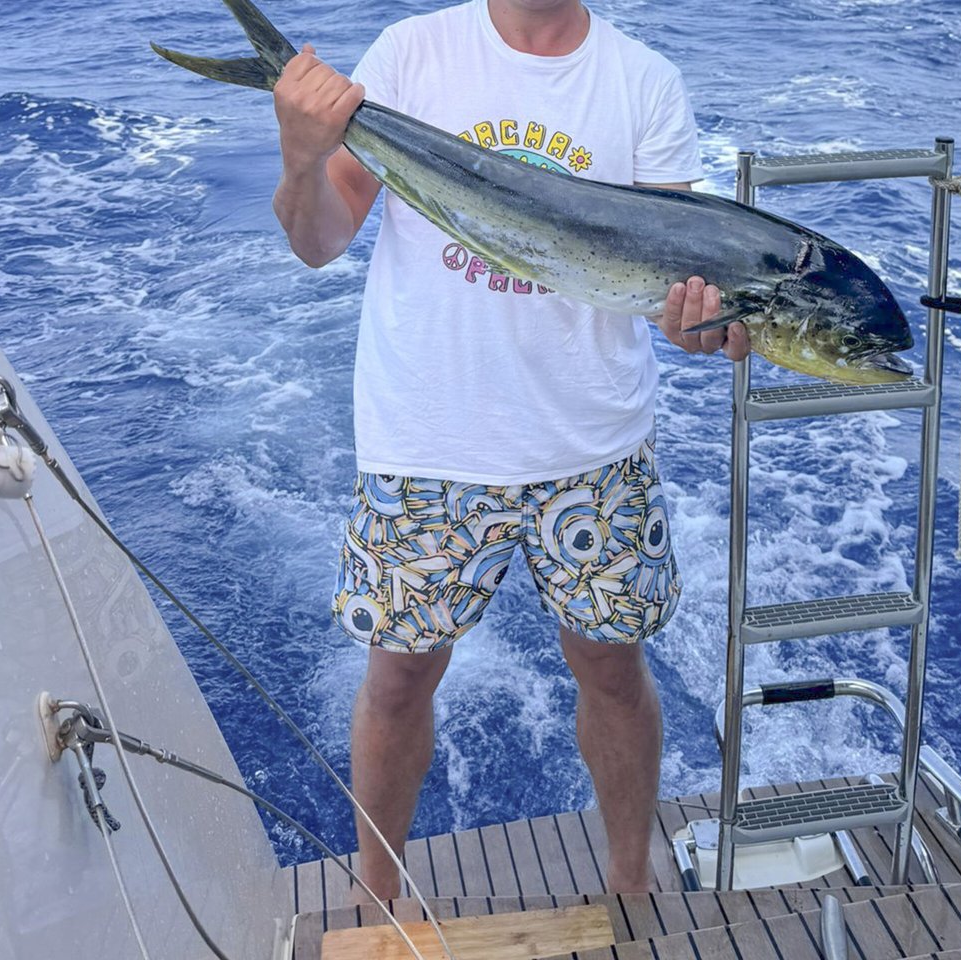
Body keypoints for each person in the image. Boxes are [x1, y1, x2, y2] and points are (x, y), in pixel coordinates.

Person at [271, 0, 749, 897]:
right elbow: (317, 241)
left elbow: (669, 279)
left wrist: (700, 326)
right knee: (400, 680)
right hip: (429, 440)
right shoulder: (412, 53)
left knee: (612, 669)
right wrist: (302, 156)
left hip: (594, 447)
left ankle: (631, 887)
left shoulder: (644, 82)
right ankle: (376, 900)